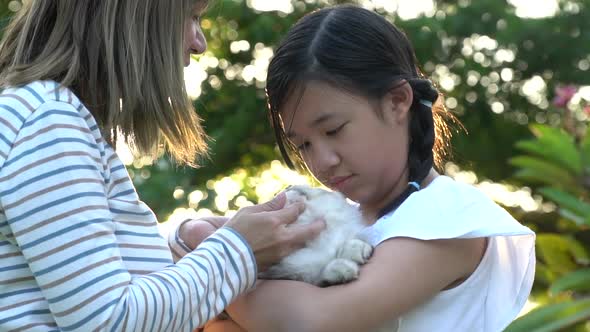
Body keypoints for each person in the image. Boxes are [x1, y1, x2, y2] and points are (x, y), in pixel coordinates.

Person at [205, 5, 536, 332]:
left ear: (396, 101)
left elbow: (311, 320)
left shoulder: (449, 218)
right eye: (303, 145)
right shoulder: (338, 220)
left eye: (333, 130)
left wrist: (213, 275)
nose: (321, 162)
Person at [0, 1, 324, 331]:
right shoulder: (49, 122)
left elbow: (68, 274)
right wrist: (240, 252)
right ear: (138, 17)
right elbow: (109, 322)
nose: (199, 43)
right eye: (192, 17)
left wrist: (177, 240)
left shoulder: (44, 116)